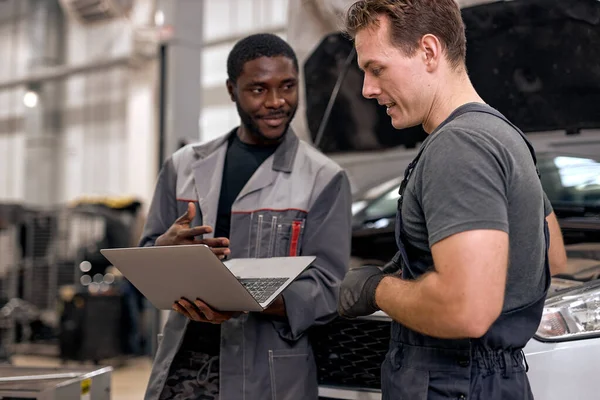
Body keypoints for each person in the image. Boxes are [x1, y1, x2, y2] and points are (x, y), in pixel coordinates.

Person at [337, 1, 567, 399]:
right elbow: (552, 256)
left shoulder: (459, 146)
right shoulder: (501, 134)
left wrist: (375, 289)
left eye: (377, 68)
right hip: (492, 381)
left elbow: (467, 310)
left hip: (453, 383)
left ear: (428, 51)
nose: (367, 89)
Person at [140, 33, 352, 400]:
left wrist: (246, 298)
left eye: (287, 86)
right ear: (231, 90)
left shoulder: (323, 178)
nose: (277, 102)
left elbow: (328, 289)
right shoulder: (183, 166)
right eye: (258, 89)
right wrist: (162, 248)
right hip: (183, 371)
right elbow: (145, 259)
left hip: (267, 377)